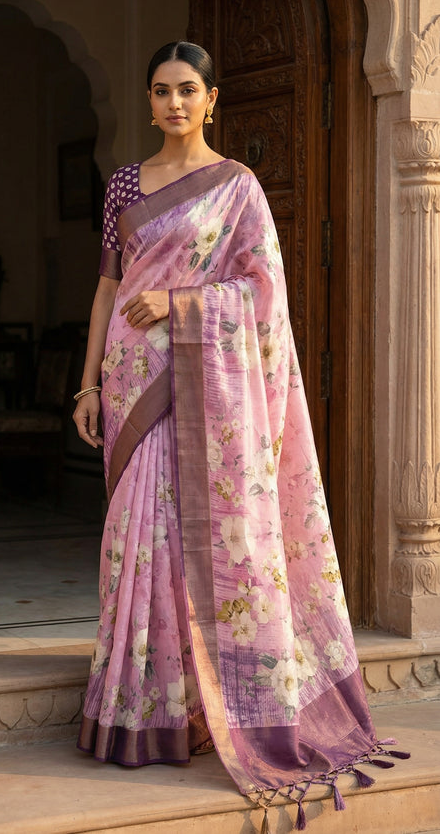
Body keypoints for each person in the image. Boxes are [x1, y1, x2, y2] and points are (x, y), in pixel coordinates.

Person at [73, 41, 406, 828]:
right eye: (161, 91)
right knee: (134, 540)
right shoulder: (125, 182)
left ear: (212, 99)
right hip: (130, 376)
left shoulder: (238, 187)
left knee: (189, 537)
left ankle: (196, 707)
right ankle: (137, 707)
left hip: (199, 381)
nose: (174, 103)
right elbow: (108, 287)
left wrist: (180, 303)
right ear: (147, 100)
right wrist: (86, 383)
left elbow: (261, 293)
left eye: (187, 90)